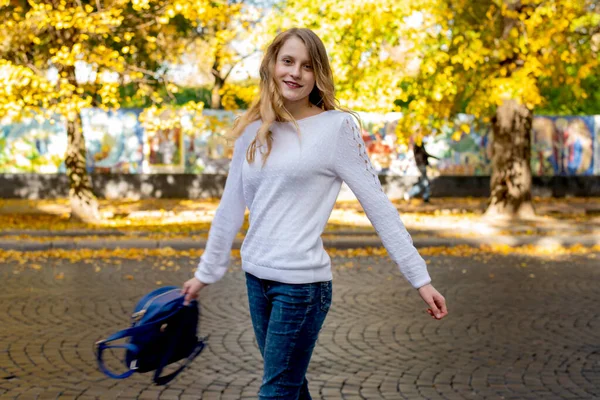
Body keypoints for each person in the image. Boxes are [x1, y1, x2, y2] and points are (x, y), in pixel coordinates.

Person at [182, 27, 448, 400]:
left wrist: (420, 278)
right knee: (290, 385)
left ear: (317, 74)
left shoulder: (336, 128)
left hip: (302, 287)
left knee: (276, 391)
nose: (295, 72)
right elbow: (230, 207)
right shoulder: (254, 129)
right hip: (256, 278)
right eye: (287, 61)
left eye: (307, 66)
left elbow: (379, 208)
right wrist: (204, 274)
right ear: (272, 64)